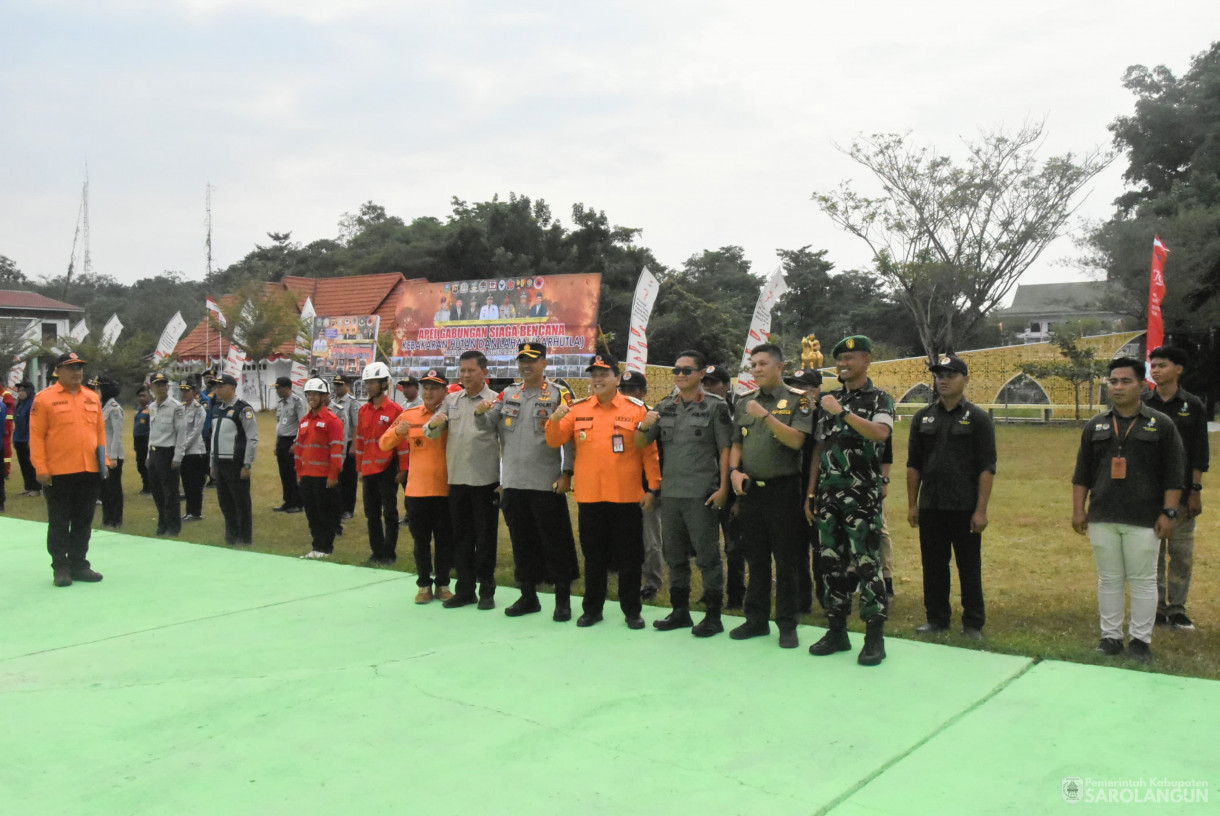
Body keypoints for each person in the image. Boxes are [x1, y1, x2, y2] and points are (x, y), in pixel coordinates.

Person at [1072, 357, 1185, 662]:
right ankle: (1110, 638)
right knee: (1108, 579)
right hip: (1103, 514)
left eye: (1125, 381)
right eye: (1113, 381)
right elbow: (1082, 473)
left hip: (1144, 517)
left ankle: (1140, 641)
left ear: (1142, 385)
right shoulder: (1096, 425)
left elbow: (1175, 475)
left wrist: (1169, 513)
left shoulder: (1160, 424)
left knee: (1143, 580)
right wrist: (1079, 510)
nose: (1118, 387)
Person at [546, 352, 660, 630]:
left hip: (626, 497)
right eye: (594, 374)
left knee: (630, 559)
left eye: (603, 374)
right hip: (590, 497)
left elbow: (649, 453)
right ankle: (592, 609)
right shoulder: (577, 409)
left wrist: (653, 489)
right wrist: (554, 419)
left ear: (617, 378)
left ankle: (632, 610)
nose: (597, 379)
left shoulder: (636, 409)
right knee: (594, 557)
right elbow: (555, 440)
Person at [807, 335, 894, 666]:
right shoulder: (828, 399)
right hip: (829, 496)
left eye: (850, 358)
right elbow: (819, 448)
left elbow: (880, 433)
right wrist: (812, 492)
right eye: (839, 359)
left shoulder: (879, 399)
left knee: (866, 563)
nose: (843, 365)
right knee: (830, 563)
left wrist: (842, 412)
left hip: (862, 497)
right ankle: (837, 630)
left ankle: (874, 636)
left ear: (867, 360)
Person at [478, 342, 580, 621]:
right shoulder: (508, 393)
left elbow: (570, 438)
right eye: (522, 360)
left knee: (555, 543)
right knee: (522, 543)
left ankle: (562, 601)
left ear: (544, 363)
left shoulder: (559, 395)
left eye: (532, 360)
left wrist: (567, 473)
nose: (526, 365)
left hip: (546, 483)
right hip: (513, 483)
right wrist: (480, 412)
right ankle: (528, 596)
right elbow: (487, 425)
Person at [638, 350, 732, 636]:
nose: (680, 375)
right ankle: (680, 612)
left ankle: (713, 616)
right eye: (676, 370)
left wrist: (725, 489)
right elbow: (640, 443)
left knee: (707, 557)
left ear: (701, 374)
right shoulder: (664, 406)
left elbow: (726, 450)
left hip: (701, 494)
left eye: (687, 370)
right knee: (674, 555)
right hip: (672, 495)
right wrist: (643, 425)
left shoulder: (716, 407)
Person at [728, 344, 814, 649]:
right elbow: (736, 443)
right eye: (753, 365)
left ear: (780, 367)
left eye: (763, 363)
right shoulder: (744, 402)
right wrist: (734, 472)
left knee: (787, 561)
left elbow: (796, 441)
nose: (756, 369)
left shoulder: (798, 401)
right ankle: (756, 620)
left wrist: (766, 416)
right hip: (752, 492)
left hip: (784, 491)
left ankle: (788, 624)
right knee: (756, 559)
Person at [906, 353, 997, 640]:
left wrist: (981, 510)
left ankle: (973, 623)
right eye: (939, 375)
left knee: (969, 566)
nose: (942, 380)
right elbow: (913, 464)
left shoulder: (979, 418)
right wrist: (912, 504)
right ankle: (936, 619)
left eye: (950, 375)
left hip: (964, 505)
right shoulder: (923, 417)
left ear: (965, 379)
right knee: (933, 565)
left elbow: (987, 467)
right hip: (931, 504)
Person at [425, 350, 502, 609]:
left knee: (485, 538)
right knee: (461, 538)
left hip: (485, 481)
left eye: (471, 370)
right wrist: (434, 424)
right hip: (457, 480)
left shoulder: (495, 401)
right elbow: (432, 434)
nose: (466, 375)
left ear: (485, 372)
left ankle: (487, 591)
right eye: (463, 370)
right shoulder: (452, 400)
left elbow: (505, 441)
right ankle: (465, 590)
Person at [1143, 345, 1209, 631]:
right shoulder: (1144, 403)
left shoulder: (1192, 405)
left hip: (1182, 494)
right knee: (1151, 554)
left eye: (1162, 365)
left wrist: (1195, 491)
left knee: (1181, 553)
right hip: (1149, 493)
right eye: (1153, 365)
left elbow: (1199, 452)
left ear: (1178, 369)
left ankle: (1177, 609)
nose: (1155, 370)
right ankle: (1155, 609)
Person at [30, 351, 107, 586]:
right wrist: (41, 468)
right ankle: (60, 567)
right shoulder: (44, 399)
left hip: (88, 469)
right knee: (60, 521)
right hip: (59, 472)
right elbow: (36, 437)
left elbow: (100, 433)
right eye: (71, 368)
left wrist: (104, 463)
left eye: (80, 368)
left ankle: (79, 564)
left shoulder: (92, 397)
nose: (77, 373)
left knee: (84, 520)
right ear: (58, 371)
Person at [382, 369, 454, 603]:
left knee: (444, 541)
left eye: (435, 387)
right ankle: (424, 585)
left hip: (445, 490)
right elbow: (383, 443)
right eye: (426, 387)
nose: (430, 392)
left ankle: (443, 584)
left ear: (445, 390)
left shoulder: (452, 415)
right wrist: (397, 431)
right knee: (421, 541)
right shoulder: (410, 415)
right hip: (417, 491)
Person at [355, 362, 407, 565]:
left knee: (390, 512)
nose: (368, 386)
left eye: (372, 382)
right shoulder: (363, 411)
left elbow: (402, 443)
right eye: (367, 382)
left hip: (387, 469)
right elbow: (360, 441)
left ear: (384, 384)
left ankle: (389, 553)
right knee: (372, 513)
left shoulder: (395, 410)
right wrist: (359, 467)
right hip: (368, 470)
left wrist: (403, 469)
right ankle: (376, 552)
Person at [702, 364, 745, 608]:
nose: (708, 387)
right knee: (706, 543)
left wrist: (739, 495)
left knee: (734, 545)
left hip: (732, 484)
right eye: (705, 382)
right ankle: (711, 591)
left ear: (726, 385)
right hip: (707, 483)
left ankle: (736, 595)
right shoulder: (699, 405)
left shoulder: (740, 408)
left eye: (713, 382)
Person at [620, 370, 663, 601]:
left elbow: (657, 455)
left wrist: (653, 489)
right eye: (623, 389)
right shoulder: (614, 414)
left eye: (632, 389)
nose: (627, 394)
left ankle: (652, 583)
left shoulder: (652, 416)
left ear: (643, 392)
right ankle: (626, 577)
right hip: (621, 486)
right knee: (626, 537)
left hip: (646, 486)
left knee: (650, 540)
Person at [295, 378, 345, 559]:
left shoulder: (332, 420)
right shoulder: (304, 421)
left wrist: (333, 474)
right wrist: (299, 472)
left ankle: (326, 548)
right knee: (312, 513)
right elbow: (299, 449)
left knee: (326, 514)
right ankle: (316, 547)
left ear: (324, 396)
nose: (311, 397)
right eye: (309, 394)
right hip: (307, 475)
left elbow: (337, 449)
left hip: (324, 476)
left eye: (315, 394)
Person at [209, 373, 259, 547]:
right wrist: (212, 463)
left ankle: (245, 539)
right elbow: (214, 437)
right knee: (225, 502)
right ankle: (231, 536)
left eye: (221, 387)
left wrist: (247, 463)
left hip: (235, 463)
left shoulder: (243, 409)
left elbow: (252, 437)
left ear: (231, 388)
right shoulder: (216, 409)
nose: (217, 390)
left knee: (241, 503)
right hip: (220, 462)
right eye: (216, 387)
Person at [146, 372, 186, 537]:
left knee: (170, 492)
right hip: (154, 451)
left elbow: (181, 433)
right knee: (157, 491)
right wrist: (149, 455)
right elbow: (152, 431)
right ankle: (162, 522)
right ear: (152, 387)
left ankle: (173, 526)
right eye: (158, 384)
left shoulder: (176, 406)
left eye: (164, 384)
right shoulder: (152, 407)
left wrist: (178, 456)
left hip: (168, 452)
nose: (161, 388)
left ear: (168, 387)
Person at [93, 377, 125, 528]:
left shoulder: (114, 408)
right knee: (104, 489)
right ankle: (107, 518)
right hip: (102, 453)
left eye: (98, 388)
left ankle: (116, 518)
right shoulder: (100, 406)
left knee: (114, 488)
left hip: (114, 454)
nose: (95, 391)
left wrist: (113, 457)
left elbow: (117, 434)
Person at [272, 376, 306, 513]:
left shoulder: (297, 402)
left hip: (292, 440)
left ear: (286, 388)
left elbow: (302, 424)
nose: (276, 390)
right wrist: (276, 443)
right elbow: (279, 424)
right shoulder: (281, 403)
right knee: (284, 473)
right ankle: (288, 501)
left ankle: (298, 503)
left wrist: (297, 443)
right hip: (282, 440)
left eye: (278, 387)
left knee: (293, 473)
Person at [330, 373, 360, 521]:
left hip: (348, 443)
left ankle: (349, 508)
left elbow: (356, 426)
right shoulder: (332, 401)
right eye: (335, 384)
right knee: (338, 476)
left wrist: (354, 445)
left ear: (347, 386)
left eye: (340, 384)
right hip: (336, 444)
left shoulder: (352, 403)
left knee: (349, 477)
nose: (337, 387)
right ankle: (338, 507)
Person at [178, 381, 209, 522]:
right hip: (184, 451)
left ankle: (196, 512)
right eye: (182, 390)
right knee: (186, 483)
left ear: (194, 392)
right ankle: (189, 511)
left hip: (195, 451)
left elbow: (196, 431)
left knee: (195, 483)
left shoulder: (199, 409)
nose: (184, 393)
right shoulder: (182, 408)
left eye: (187, 390)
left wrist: (183, 446)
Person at [13, 381, 40, 496]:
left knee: (31, 465)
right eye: (19, 391)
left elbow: (34, 423)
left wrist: (31, 439)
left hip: (28, 439)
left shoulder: (33, 404)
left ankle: (36, 488)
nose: (20, 393)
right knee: (23, 464)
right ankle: (29, 487)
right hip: (19, 438)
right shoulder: (20, 404)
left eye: (23, 390)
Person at [132, 385, 151, 494]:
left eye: (144, 395)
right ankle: (146, 484)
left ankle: (149, 486)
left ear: (149, 396)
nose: (141, 398)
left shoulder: (151, 409)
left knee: (146, 464)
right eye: (139, 396)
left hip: (147, 440)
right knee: (140, 465)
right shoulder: (139, 410)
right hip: (138, 440)